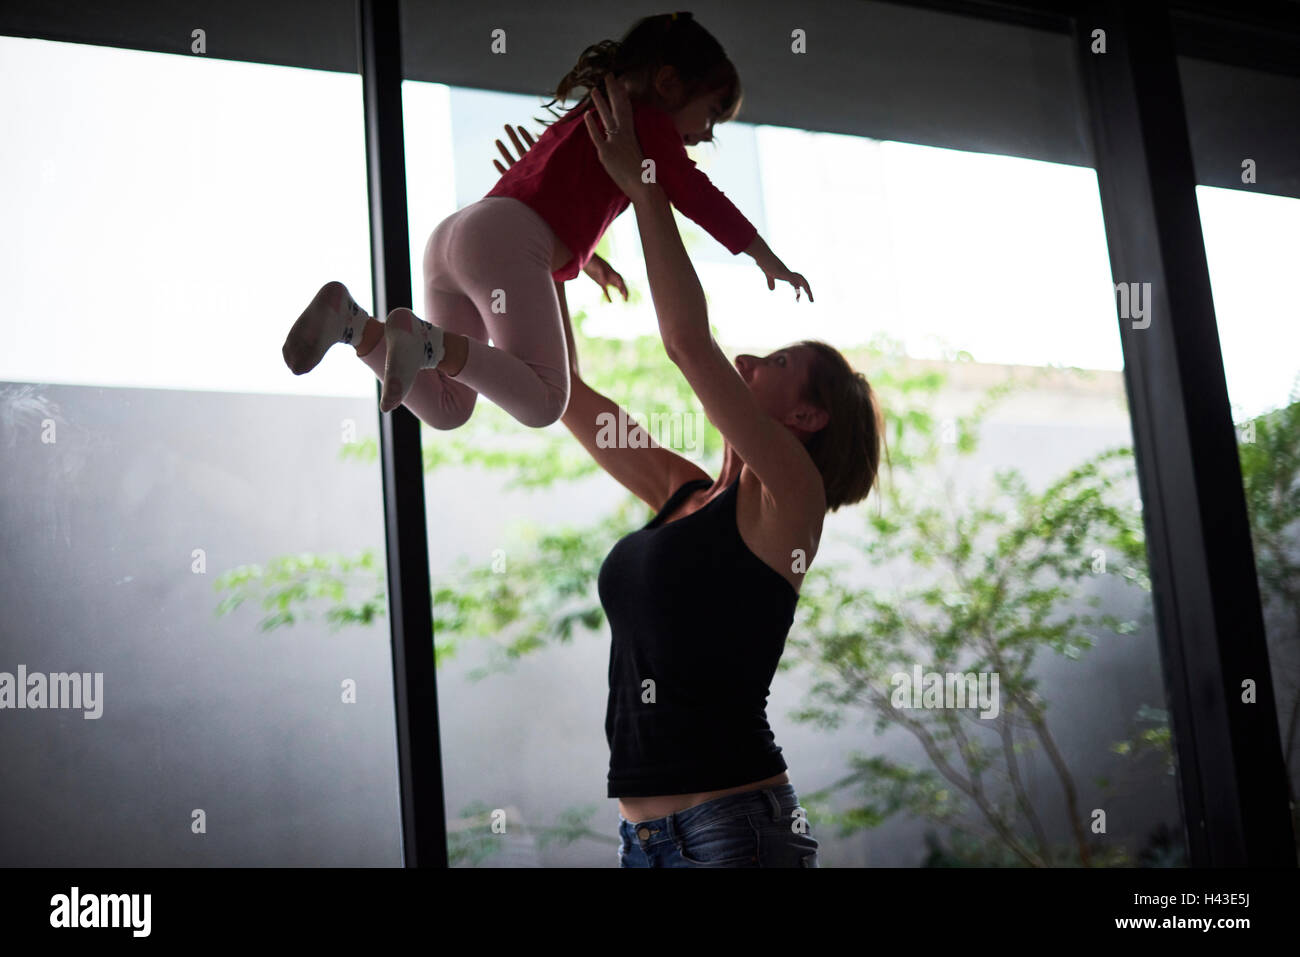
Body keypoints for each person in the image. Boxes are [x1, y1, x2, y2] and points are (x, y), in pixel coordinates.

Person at [514, 74, 886, 866]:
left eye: (779, 359)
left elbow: (688, 340)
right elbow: (565, 392)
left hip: (734, 830)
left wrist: (642, 185)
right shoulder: (681, 488)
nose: (750, 357)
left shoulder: (792, 496)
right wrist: (545, 249)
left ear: (807, 417)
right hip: (645, 839)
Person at [281, 11, 811, 430]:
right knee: (544, 402)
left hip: (457, 236)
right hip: (504, 242)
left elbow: (556, 204)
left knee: (447, 408)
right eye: (712, 113)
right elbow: (695, 193)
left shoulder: (593, 113)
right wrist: (764, 254)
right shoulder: (646, 123)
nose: (708, 133)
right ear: (669, 83)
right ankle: (419, 339)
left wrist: (589, 262)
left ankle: (354, 324)